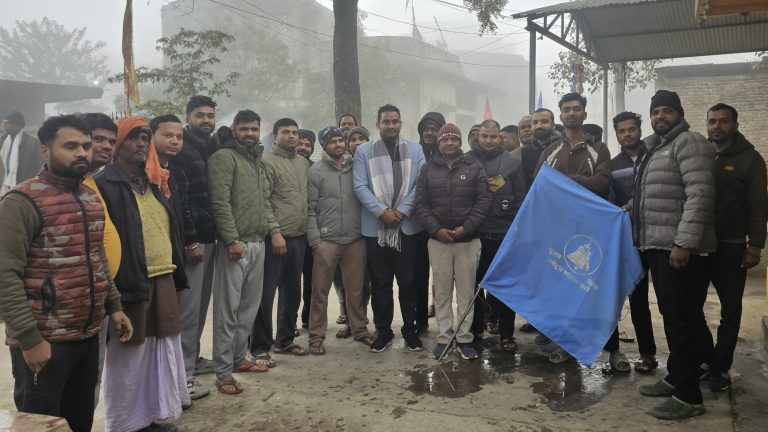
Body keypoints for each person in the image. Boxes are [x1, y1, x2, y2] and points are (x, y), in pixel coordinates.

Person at [0, 115, 132, 432]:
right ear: (45, 151)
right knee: (42, 424)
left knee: (79, 420)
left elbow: (97, 257)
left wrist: (114, 306)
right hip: (45, 340)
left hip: (86, 335)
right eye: (71, 146)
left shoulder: (90, 197)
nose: (82, 153)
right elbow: (5, 276)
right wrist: (30, 340)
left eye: (86, 146)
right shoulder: (21, 202)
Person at [96, 117, 190, 432]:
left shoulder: (155, 181)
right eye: (133, 137)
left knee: (160, 348)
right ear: (118, 144)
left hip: (163, 275)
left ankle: (151, 416)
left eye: (145, 138)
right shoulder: (104, 183)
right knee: (130, 355)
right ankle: (125, 424)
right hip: (129, 280)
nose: (141, 143)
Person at [632, 90, 716, 420]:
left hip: (678, 249)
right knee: (674, 316)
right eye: (655, 112)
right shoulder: (657, 147)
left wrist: (684, 243)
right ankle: (678, 376)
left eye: (667, 111)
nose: (660, 117)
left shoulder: (689, 142)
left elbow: (700, 196)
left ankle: (689, 396)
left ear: (679, 114)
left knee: (681, 319)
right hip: (659, 245)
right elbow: (654, 195)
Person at [534, 93, 612, 365]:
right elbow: (539, 185)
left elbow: (602, 183)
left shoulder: (599, 149)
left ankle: (581, 341)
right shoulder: (550, 151)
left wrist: (566, 180)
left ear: (584, 114)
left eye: (576, 109)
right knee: (558, 288)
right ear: (561, 115)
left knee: (583, 288)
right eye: (566, 109)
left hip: (588, 230)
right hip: (556, 229)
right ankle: (560, 340)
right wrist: (578, 182)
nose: (571, 113)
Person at [703, 103, 768, 392]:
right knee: (689, 307)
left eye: (723, 121)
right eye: (712, 121)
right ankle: (705, 357)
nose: (717, 126)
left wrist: (755, 247)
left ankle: (719, 368)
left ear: (735, 125)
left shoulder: (751, 160)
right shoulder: (702, 155)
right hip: (700, 245)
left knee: (730, 311)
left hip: (731, 247)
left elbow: (759, 207)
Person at [207, 110, 271, 394]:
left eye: (254, 129)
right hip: (236, 245)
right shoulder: (224, 157)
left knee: (248, 308)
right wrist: (231, 239)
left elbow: (264, 200)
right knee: (227, 310)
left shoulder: (256, 160)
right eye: (244, 128)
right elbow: (220, 202)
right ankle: (222, 371)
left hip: (258, 241)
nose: (249, 133)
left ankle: (237, 358)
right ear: (233, 129)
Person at [353, 104, 426, 352]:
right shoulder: (363, 151)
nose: (391, 126)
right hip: (376, 228)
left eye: (395, 121)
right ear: (378, 124)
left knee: (408, 282)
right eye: (386, 122)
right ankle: (383, 330)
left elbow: (420, 184)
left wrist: (401, 211)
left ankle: (410, 329)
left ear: (400, 123)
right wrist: (382, 212)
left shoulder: (415, 150)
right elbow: (360, 186)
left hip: (407, 227)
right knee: (380, 283)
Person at [416, 123, 490, 360]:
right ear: (439, 143)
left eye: (453, 139)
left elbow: (483, 202)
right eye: (445, 139)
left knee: (466, 292)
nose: (449, 143)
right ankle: (444, 337)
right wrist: (436, 230)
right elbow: (421, 204)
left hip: (468, 241)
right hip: (438, 242)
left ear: (460, 142)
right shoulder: (428, 169)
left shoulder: (474, 167)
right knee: (442, 292)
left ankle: (464, 338)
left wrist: (464, 229)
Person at [307, 126, 374, 354]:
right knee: (320, 292)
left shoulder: (356, 167)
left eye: (340, 140)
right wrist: (316, 241)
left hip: (355, 239)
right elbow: (310, 208)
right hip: (327, 241)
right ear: (324, 145)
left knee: (355, 290)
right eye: (332, 141)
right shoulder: (316, 172)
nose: (338, 145)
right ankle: (316, 337)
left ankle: (360, 330)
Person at [250, 117, 310, 363]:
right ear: (275, 137)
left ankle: (284, 340)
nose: (292, 136)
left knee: (292, 292)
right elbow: (263, 200)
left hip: (299, 237)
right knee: (266, 294)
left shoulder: (303, 163)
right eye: (286, 132)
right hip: (275, 239)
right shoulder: (266, 162)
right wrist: (274, 232)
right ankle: (259, 346)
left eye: (295, 132)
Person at [170, 95, 219, 399]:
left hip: (210, 235)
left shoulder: (210, 146)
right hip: (194, 240)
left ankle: (194, 359)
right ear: (188, 117)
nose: (205, 120)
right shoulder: (181, 150)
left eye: (210, 116)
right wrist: (190, 241)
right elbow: (183, 200)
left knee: (201, 306)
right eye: (199, 115)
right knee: (188, 310)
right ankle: (183, 376)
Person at [467, 119, 526, 349]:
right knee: (475, 285)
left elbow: (521, 198)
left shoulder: (512, 163)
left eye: (493, 136)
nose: (489, 141)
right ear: (478, 137)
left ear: (499, 137)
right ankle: (476, 329)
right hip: (475, 233)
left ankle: (506, 334)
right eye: (485, 136)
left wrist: (515, 231)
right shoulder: (467, 160)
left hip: (503, 234)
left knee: (505, 285)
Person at [79, 113, 123, 407]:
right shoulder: (35, 196)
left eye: (111, 141)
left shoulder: (91, 183)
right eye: (98, 139)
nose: (106, 146)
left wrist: (113, 302)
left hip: (101, 297)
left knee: (90, 380)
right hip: (69, 307)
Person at [610, 111, 656, 373]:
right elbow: (609, 201)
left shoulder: (655, 157)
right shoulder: (613, 165)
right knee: (636, 300)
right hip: (628, 242)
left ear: (640, 130)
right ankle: (644, 354)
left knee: (669, 302)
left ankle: (676, 358)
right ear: (617, 134)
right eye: (622, 131)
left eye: (631, 129)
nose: (627, 134)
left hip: (657, 238)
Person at [334, 126, 373, 337]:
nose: (357, 143)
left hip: (372, 229)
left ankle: (362, 319)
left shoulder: (374, 163)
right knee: (348, 281)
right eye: (353, 139)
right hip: (349, 232)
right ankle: (351, 322)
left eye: (361, 138)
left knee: (367, 281)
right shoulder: (344, 166)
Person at [416, 112, 447, 329]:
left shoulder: (449, 155)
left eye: (434, 129)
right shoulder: (413, 152)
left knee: (441, 273)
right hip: (417, 224)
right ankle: (420, 318)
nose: (429, 133)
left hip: (442, 224)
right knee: (419, 273)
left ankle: (437, 306)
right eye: (426, 129)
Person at [297, 128, 316, 331]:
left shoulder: (314, 169)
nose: (303, 147)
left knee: (311, 279)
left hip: (310, 232)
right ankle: (288, 322)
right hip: (290, 233)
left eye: (307, 145)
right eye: (300, 143)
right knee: (290, 281)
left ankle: (308, 317)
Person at [515, 109, 560, 189]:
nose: (539, 126)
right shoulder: (525, 152)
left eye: (544, 121)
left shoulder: (562, 147)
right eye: (535, 122)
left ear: (553, 126)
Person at [1, 111, 44, 193]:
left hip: (24, 183)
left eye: (8, 123)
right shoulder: (2, 141)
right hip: (4, 181)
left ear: (18, 125)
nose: (4, 125)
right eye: (3, 123)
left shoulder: (32, 142)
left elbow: (40, 164)